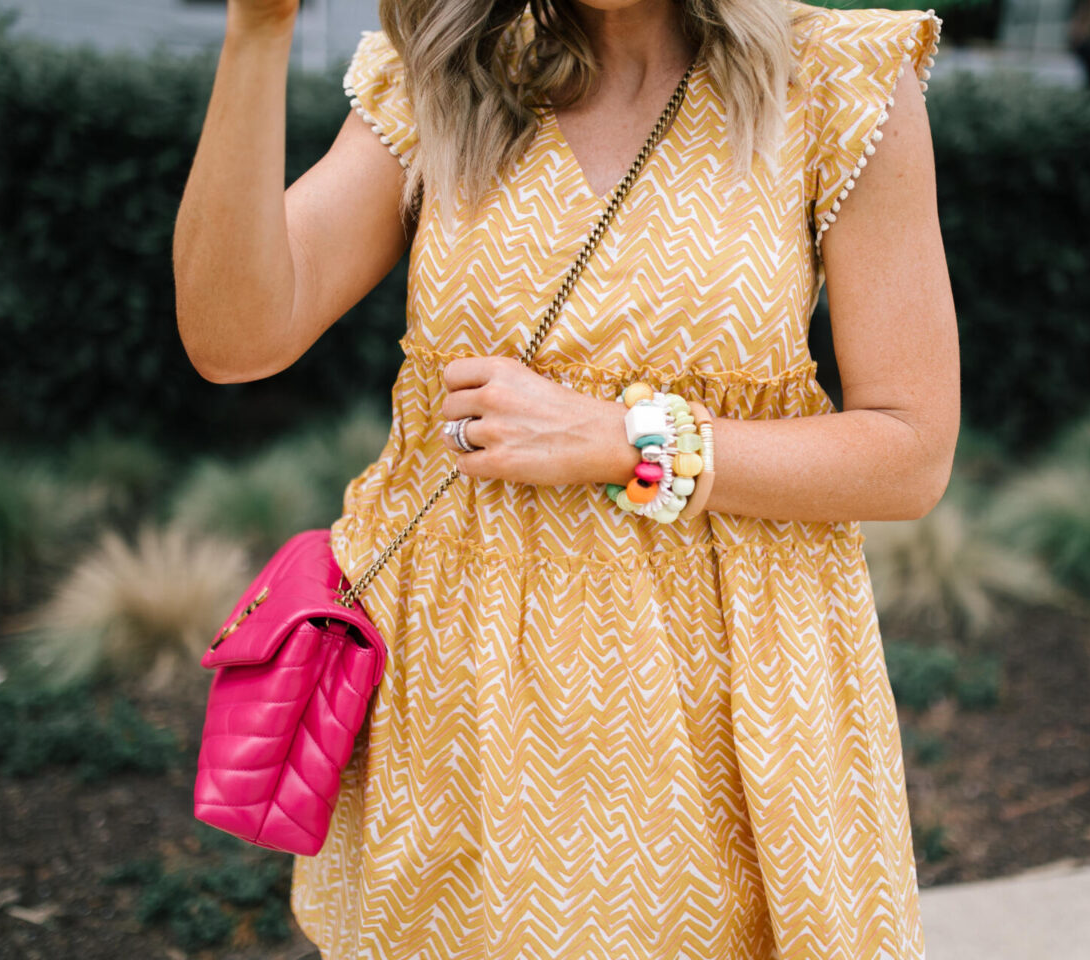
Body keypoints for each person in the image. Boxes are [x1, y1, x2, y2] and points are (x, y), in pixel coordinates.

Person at [173, 0, 958, 957]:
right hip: (461, 690)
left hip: (726, 700)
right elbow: (234, 339)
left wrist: (625, 441)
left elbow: (910, 451)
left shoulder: (834, 78)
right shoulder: (442, 77)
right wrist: (258, 32)